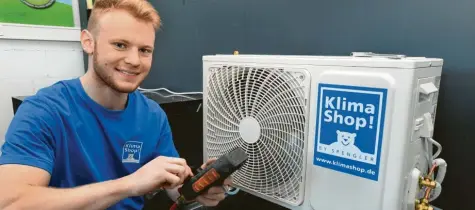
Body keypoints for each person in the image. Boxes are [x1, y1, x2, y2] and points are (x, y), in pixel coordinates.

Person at [0, 0, 230, 209]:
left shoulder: (153, 116)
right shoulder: (43, 111)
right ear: (88, 42)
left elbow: (172, 188)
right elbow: (13, 203)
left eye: (144, 50)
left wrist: (196, 188)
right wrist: (129, 184)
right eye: (120, 45)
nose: (134, 60)